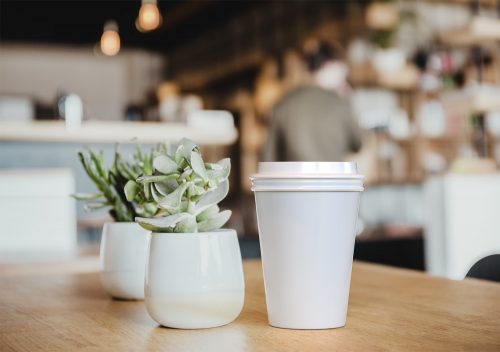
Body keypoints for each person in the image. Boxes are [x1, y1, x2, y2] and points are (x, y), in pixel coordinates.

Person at [263, 40, 362, 162]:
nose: (344, 77)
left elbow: (269, 157)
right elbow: (358, 143)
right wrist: (348, 100)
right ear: (330, 65)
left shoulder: (283, 104)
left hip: (293, 180)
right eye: (343, 71)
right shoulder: (340, 103)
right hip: (333, 180)